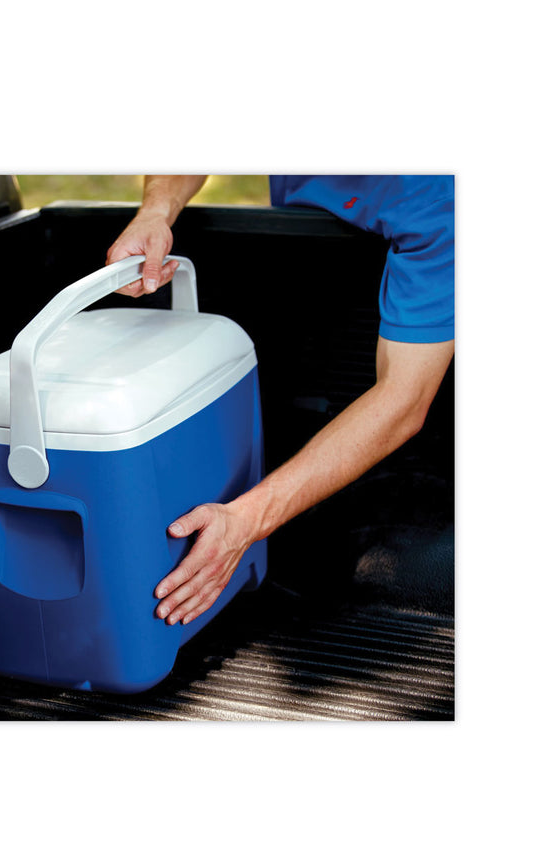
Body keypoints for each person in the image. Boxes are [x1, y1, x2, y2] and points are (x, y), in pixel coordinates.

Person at [105, 175, 455, 627]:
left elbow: (402, 400)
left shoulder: (439, 198)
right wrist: (156, 212)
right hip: (307, 312)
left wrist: (246, 522)